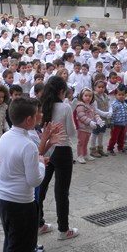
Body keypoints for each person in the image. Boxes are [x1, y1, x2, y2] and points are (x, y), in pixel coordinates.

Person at [0, 98, 50, 252]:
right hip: (20, 201)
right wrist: (41, 163)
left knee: (11, 241)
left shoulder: (5, 137)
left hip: (3, 197)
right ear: (28, 120)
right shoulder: (28, 145)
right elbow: (34, 180)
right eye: (37, 114)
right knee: (20, 246)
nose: (40, 116)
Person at [38, 76, 78, 240]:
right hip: (62, 149)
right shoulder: (65, 107)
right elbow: (72, 132)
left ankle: (39, 223)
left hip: (47, 149)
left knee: (41, 188)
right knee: (61, 192)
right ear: (61, 91)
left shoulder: (43, 105)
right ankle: (63, 229)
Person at [107, 85, 127, 155]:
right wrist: (112, 123)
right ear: (115, 95)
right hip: (116, 124)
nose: (121, 96)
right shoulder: (114, 104)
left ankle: (120, 148)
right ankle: (110, 148)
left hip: (123, 124)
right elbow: (112, 115)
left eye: (123, 95)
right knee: (114, 137)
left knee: (122, 137)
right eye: (119, 95)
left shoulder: (125, 104)